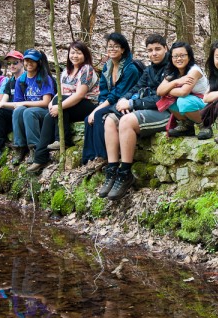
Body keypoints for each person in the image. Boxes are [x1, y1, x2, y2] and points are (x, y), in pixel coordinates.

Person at [99, 34, 170, 200]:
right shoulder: (149, 69)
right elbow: (137, 87)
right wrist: (125, 99)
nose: (154, 53)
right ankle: (112, 169)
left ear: (166, 49)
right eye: (150, 50)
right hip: (143, 107)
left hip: (165, 112)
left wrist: (131, 105)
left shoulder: (171, 69)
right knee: (110, 119)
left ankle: (125, 173)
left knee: (126, 120)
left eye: (158, 49)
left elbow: (161, 99)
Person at [27, 41, 99, 173]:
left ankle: (62, 140)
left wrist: (58, 106)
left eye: (78, 53)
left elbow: (79, 95)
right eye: (72, 52)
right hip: (70, 105)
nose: (75, 56)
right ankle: (40, 157)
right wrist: (52, 104)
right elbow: (60, 94)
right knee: (50, 115)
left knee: (60, 106)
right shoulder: (66, 71)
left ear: (85, 55)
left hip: (89, 105)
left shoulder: (87, 69)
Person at [81, 33, 140, 167]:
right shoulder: (108, 66)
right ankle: (90, 157)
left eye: (116, 47)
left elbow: (117, 94)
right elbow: (104, 91)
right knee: (88, 119)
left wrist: (97, 109)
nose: (112, 49)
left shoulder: (130, 69)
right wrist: (101, 103)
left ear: (123, 49)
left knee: (97, 114)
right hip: (110, 101)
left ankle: (103, 156)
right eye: (110, 46)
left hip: (124, 103)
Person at [10, 49, 56, 165]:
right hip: (29, 109)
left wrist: (25, 104)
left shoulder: (45, 78)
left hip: (44, 111)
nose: (29, 63)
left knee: (28, 112)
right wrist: (22, 105)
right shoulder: (21, 79)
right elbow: (18, 103)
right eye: (27, 60)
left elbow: (46, 102)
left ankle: (34, 147)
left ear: (38, 62)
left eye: (32, 61)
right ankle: (20, 147)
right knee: (18, 111)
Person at [156, 41, 211, 139]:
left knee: (183, 101)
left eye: (182, 55)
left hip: (205, 103)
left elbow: (183, 92)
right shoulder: (172, 71)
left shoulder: (194, 71)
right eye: (175, 56)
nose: (179, 59)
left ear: (189, 57)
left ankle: (205, 125)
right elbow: (159, 91)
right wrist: (176, 82)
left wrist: (167, 89)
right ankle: (187, 125)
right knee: (166, 100)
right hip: (193, 102)